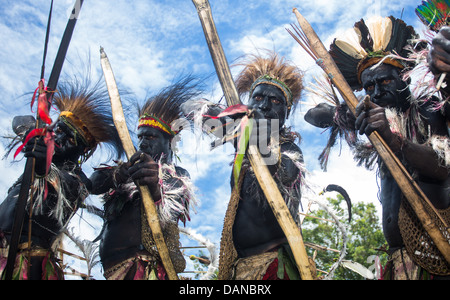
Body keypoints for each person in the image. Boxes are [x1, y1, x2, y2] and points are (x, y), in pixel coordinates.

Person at [304, 16, 450, 279]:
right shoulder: (371, 118)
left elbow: (444, 166)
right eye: (369, 86)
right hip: (398, 258)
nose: (377, 91)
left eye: (385, 81)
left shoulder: (426, 108)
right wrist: (345, 113)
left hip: (437, 251)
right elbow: (313, 116)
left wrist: (394, 140)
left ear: (403, 79)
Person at [184, 52, 308, 280]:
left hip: (274, 267)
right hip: (238, 268)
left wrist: (259, 137)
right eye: (258, 98)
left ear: (286, 113)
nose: (265, 106)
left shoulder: (289, 149)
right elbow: (189, 108)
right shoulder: (242, 140)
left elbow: (284, 173)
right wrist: (230, 119)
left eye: (276, 101)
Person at [0, 79, 123, 280]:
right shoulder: (40, 147)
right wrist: (31, 132)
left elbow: (55, 180)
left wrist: (42, 165)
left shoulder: (80, 181)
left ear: (83, 149)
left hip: (27, 263)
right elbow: (19, 120)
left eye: (68, 137)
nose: (58, 138)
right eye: (57, 129)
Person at [90, 77, 199, 280]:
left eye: (150, 137)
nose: (142, 143)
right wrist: (119, 174)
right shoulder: (125, 170)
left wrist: (155, 186)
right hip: (112, 269)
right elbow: (92, 184)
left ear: (170, 142)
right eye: (139, 137)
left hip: (144, 268)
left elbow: (174, 208)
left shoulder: (176, 174)